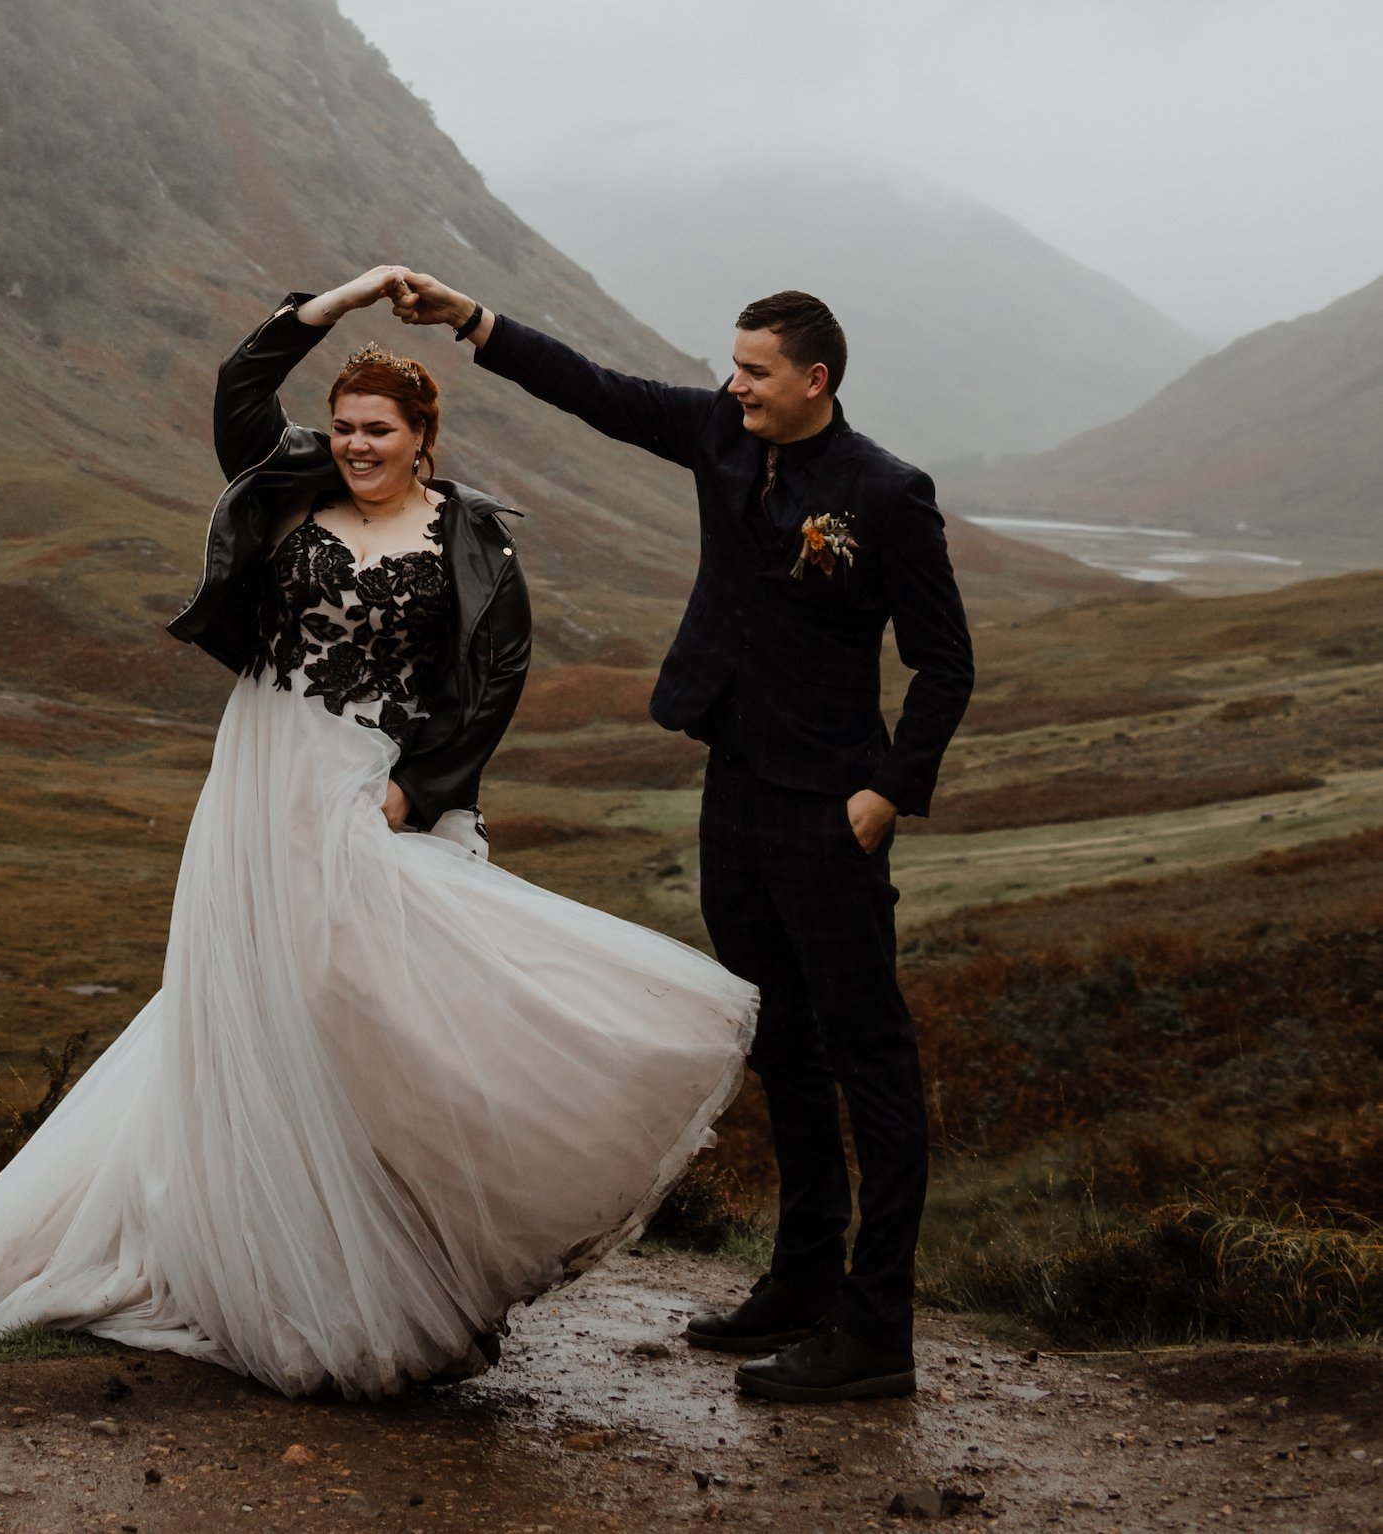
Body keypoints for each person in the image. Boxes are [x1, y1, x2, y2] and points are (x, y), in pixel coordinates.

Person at [0, 267, 755, 1400]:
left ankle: (408, 1259)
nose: (355, 446)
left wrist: (415, 788)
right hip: (259, 774)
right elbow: (240, 392)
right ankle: (278, 1262)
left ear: (422, 435)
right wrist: (335, 301)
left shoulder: (472, 541)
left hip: (370, 786)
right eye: (342, 428)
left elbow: (493, 682)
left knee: (366, 1006)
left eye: (377, 430)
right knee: (257, 1003)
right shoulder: (290, 486)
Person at [386, 271, 973, 1406]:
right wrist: (470, 321)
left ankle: (876, 1330)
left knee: (871, 1062)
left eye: (755, 370)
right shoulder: (717, 431)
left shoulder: (886, 493)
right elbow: (594, 391)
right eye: (732, 366)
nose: (733, 384)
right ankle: (801, 1280)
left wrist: (887, 795)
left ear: (814, 379)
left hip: (831, 808)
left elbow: (944, 662)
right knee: (779, 1043)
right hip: (735, 788)